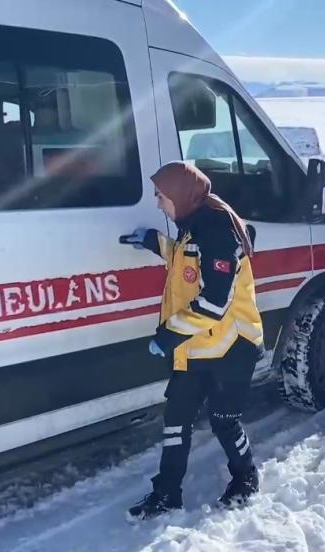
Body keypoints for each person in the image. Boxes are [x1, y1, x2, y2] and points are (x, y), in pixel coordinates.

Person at [123, 162, 264, 520]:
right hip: (198, 344)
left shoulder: (216, 230)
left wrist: (168, 335)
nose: (158, 203)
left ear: (180, 195)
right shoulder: (193, 226)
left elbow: (215, 302)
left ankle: (246, 477)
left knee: (224, 421)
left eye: (161, 196)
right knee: (176, 418)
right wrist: (155, 242)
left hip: (231, 346)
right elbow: (186, 263)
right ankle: (167, 493)